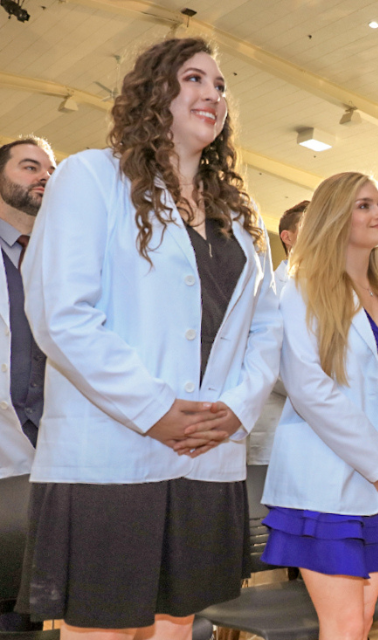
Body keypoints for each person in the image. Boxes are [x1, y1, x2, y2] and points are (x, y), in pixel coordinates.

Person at [16, 38, 282, 639]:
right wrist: (154, 409)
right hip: (112, 453)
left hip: (209, 451)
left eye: (219, 85)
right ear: (154, 91)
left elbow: (268, 326)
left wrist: (237, 410)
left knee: (179, 622)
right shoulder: (90, 176)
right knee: (106, 627)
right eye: (194, 78)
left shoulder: (240, 216)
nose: (212, 93)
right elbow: (62, 312)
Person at [260, 172, 378, 640]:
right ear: (334, 215)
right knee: (346, 624)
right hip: (329, 478)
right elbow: (308, 387)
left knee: (362, 619)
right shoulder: (301, 288)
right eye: (364, 205)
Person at [0, 136, 56, 633]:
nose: (44, 176)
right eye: (29, 166)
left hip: (46, 443)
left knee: (27, 600)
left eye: (50, 170)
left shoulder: (61, 256)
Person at [247, 200, 307, 466]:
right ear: (288, 237)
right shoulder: (271, 289)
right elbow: (268, 356)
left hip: (324, 427)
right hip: (276, 420)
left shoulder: (333, 291)